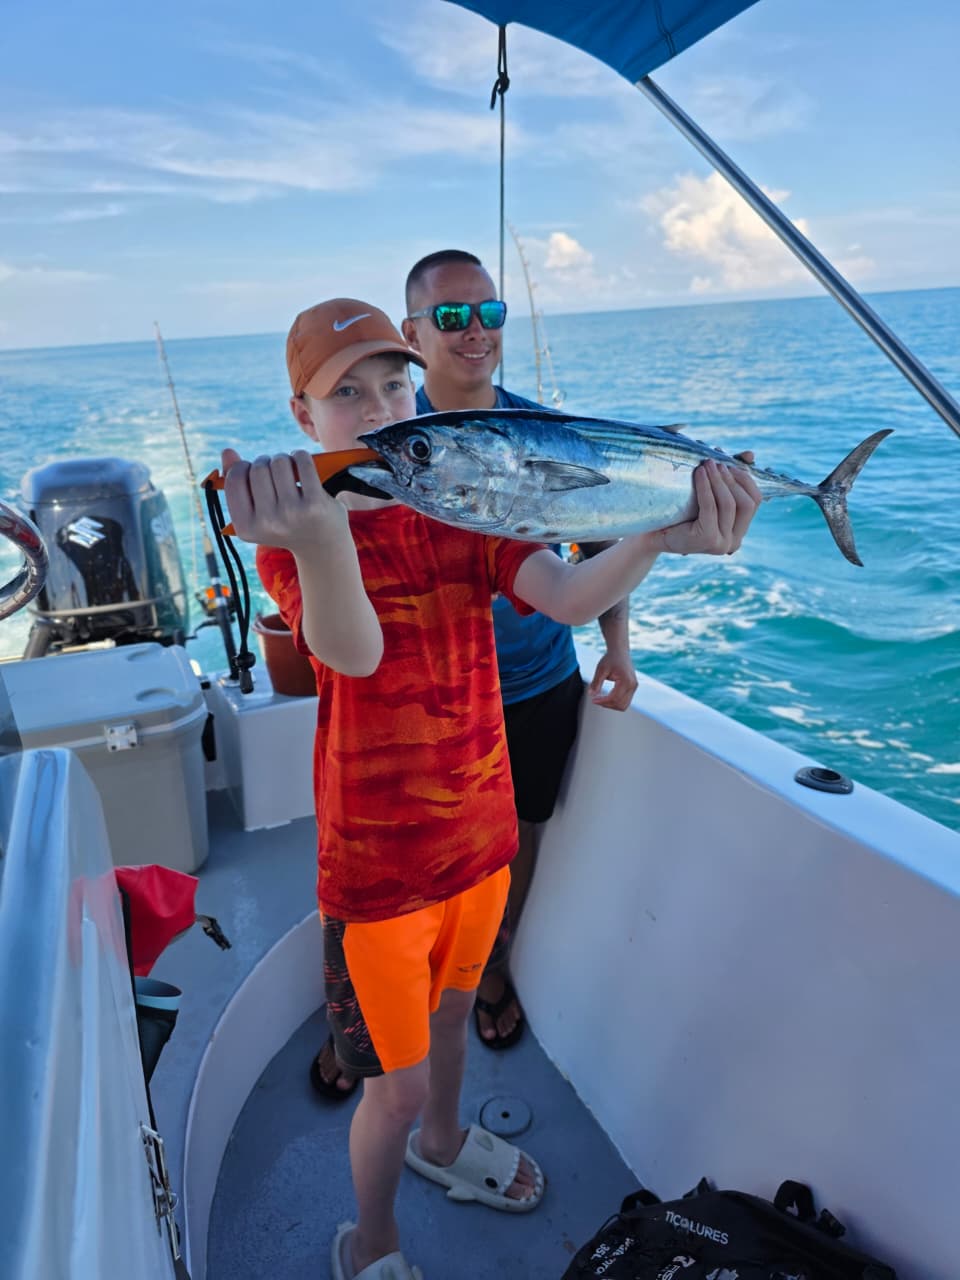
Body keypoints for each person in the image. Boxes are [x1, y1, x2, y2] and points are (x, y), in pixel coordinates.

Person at [221, 298, 760, 1279]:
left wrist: (651, 532)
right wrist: (319, 532)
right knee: (390, 1084)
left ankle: (443, 1142)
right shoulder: (294, 536)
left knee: (456, 1021)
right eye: (348, 393)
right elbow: (354, 650)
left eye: (392, 383)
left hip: (482, 834)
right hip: (379, 874)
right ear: (304, 418)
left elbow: (563, 596)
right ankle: (371, 1240)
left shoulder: (463, 503)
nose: (379, 407)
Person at [403, 248, 635, 1054]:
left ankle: (490, 966)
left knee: (523, 830)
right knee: (421, 842)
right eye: (453, 316)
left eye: (489, 314)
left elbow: (602, 540)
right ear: (414, 331)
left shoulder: (546, 433)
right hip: (431, 694)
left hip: (538, 678)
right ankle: (387, 999)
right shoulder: (393, 450)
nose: (475, 332)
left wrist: (619, 648)